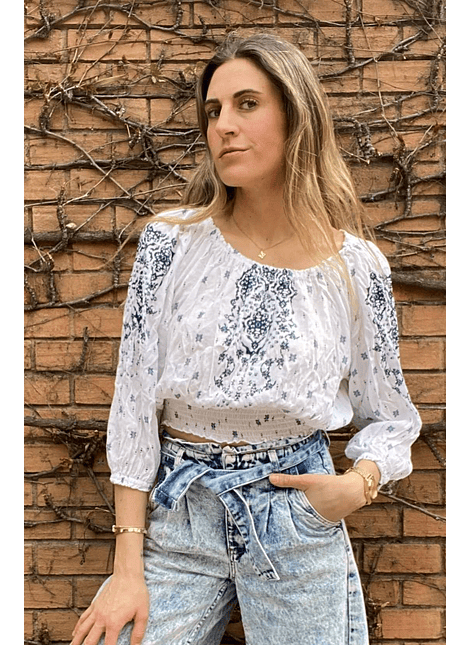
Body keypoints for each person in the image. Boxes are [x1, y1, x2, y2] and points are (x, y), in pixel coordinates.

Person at [71, 33, 421, 645]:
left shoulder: (356, 267)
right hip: (180, 515)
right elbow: (133, 407)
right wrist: (127, 569)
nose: (223, 126)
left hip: (297, 513)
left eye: (247, 104)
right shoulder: (171, 244)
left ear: (296, 116)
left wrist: (355, 485)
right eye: (213, 111)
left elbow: (390, 415)